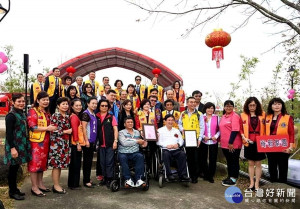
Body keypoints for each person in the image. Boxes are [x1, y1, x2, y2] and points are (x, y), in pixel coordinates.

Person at [27, 91, 57, 197]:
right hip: (36, 142)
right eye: (43, 100)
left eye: (47, 100)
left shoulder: (46, 112)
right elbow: (32, 127)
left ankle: (40, 184)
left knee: (42, 164)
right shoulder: (33, 111)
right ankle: (34, 187)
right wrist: (47, 128)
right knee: (34, 164)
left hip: (45, 141)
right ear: (38, 100)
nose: (46, 101)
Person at [4, 94, 31, 200]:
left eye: (23, 101)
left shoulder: (21, 113)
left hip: (21, 144)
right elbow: (9, 134)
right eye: (19, 101)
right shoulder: (11, 116)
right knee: (13, 169)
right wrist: (12, 148)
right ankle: (12, 191)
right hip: (14, 145)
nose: (21, 103)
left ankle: (15, 189)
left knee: (15, 168)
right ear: (13, 102)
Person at [265, 98, 295, 183]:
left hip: (283, 147)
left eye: (279, 104)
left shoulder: (287, 117)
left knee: (283, 169)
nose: (277, 106)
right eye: (274, 104)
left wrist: (290, 147)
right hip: (270, 146)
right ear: (271, 106)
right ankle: (274, 187)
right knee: (272, 168)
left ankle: (282, 189)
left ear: (282, 105)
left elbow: (291, 133)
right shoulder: (267, 117)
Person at [240, 97, 266, 191]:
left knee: (258, 163)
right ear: (247, 106)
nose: (252, 107)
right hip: (248, 141)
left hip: (260, 141)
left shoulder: (263, 114)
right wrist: (243, 137)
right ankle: (251, 183)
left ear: (257, 105)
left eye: (254, 105)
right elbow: (240, 128)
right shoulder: (243, 115)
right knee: (251, 163)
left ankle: (257, 184)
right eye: (250, 105)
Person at [48, 97, 72, 194]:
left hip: (64, 144)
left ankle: (57, 184)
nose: (65, 106)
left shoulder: (67, 116)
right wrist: (66, 131)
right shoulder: (55, 116)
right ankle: (56, 185)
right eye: (63, 104)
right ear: (58, 106)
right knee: (56, 165)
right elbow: (53, 130)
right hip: (57, 144)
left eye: (66, 104)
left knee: (60, 165)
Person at [178, 97, 205, 183]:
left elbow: (202, 127)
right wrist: (182, 129)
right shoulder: (183, 113)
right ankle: (187, 174)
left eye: (194, 102)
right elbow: (179, 123)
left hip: (195, 138)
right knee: (186, 157)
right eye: (191, 102)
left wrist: (200, 138)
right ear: (187, 103)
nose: (193, 104)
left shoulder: (199, 114)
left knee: (195, 158)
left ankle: (194, 176)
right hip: (185, 138)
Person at [157, 114, 190, 181]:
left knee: (182, 154)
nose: (170, 122)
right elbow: (158, 142)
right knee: (166, 154)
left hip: (176, 149)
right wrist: (166, 145)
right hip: (166, 150)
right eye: (169, 120)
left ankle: (183, 175)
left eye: (172, 120)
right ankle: (169, 175)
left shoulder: (176, 130)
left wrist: (178, 144)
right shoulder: (160, 130)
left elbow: (181, 140)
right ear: (165, 121)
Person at [118, 116, 148, 187]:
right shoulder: (121, 133)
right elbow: (124, 143)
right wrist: (137, 141)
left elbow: (142, 145)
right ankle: (128, 179)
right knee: (122, 158)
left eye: (131, 122)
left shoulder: (137, 132)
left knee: (140, 156)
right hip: (123, 152)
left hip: (135, 152)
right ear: (124, 124)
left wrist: (145, 139)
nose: (130, 123)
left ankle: (139, 179)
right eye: (128, 122)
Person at [219, 100, 242, 187]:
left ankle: (234, 178)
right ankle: (229, 176)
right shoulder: (223, 116)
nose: (228, 107)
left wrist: (231, 142)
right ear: (224, 107)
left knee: (234, 161)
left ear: (233, 107)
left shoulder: (235, 116)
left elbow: (235, 130)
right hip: (224, 144)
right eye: (226, 106)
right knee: (229, 161)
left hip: (233, 144)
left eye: (230, 106)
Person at [96, 99, 118, 188]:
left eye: (106, 106)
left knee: (109, 162)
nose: (104, 107)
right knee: (102, 162)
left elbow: (115, 129)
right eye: (102, 105)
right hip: (100, 144)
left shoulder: (111, 117)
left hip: (110, 143)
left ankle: (109, 178)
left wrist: (115, 141)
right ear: (99, 107)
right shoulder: (96, 116)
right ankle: (104, 178)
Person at [199, 102, 220, 183]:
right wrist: (204, 136)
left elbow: (219, 130)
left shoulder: (217, 117)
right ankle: (205, 174)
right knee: (203, 158)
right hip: (204, 141)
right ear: (205, 109)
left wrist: (216, 136)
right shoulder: (202, 117)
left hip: (213, 141)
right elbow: (200, 128)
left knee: (213, 159)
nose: (210, 110)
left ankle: (211, 175)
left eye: (212, 108)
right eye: (208, 108)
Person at [81, 97, 98, 188]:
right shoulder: (86, 114)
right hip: (87, 141)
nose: (94, 105)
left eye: (96, 103)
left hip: (92, 141)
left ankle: (88, 178)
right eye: (92, 103)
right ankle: (86, 181)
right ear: (88, 104)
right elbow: (83, 128)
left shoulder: (93, 114)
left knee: (89, 161)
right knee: (87, 162)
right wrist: (86, 140)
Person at [68, 99, 84, 189]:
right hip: (75, 143)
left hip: (76, 143)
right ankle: (74, 184)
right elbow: (74, 131)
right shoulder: (74, 117)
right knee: (75, 164)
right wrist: (78, 143)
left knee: (76, 164)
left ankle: (74, 183)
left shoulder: (76, 116)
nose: (79, 107)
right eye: (76, 105)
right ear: (72, 106)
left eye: (80, 105)